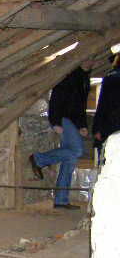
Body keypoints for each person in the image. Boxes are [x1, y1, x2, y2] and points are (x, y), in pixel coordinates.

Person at [29, 60, 94, 210]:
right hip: (64, 118)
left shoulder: (84, 79)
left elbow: (80, 106)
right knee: (77, 150)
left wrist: (82, 125)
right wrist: (55, 122)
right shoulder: (69, 75)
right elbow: (56, 98)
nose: (91, 61)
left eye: (93, 59)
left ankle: (61, 200)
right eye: (88, 58)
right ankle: (39, 159)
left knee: (70, 159)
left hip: (72, 120)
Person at [93, 54, 120, 157]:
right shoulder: (112, 79)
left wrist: (97, 128)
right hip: (112, 123)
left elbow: (102, 104)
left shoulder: (110, 78)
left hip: (109, 124)